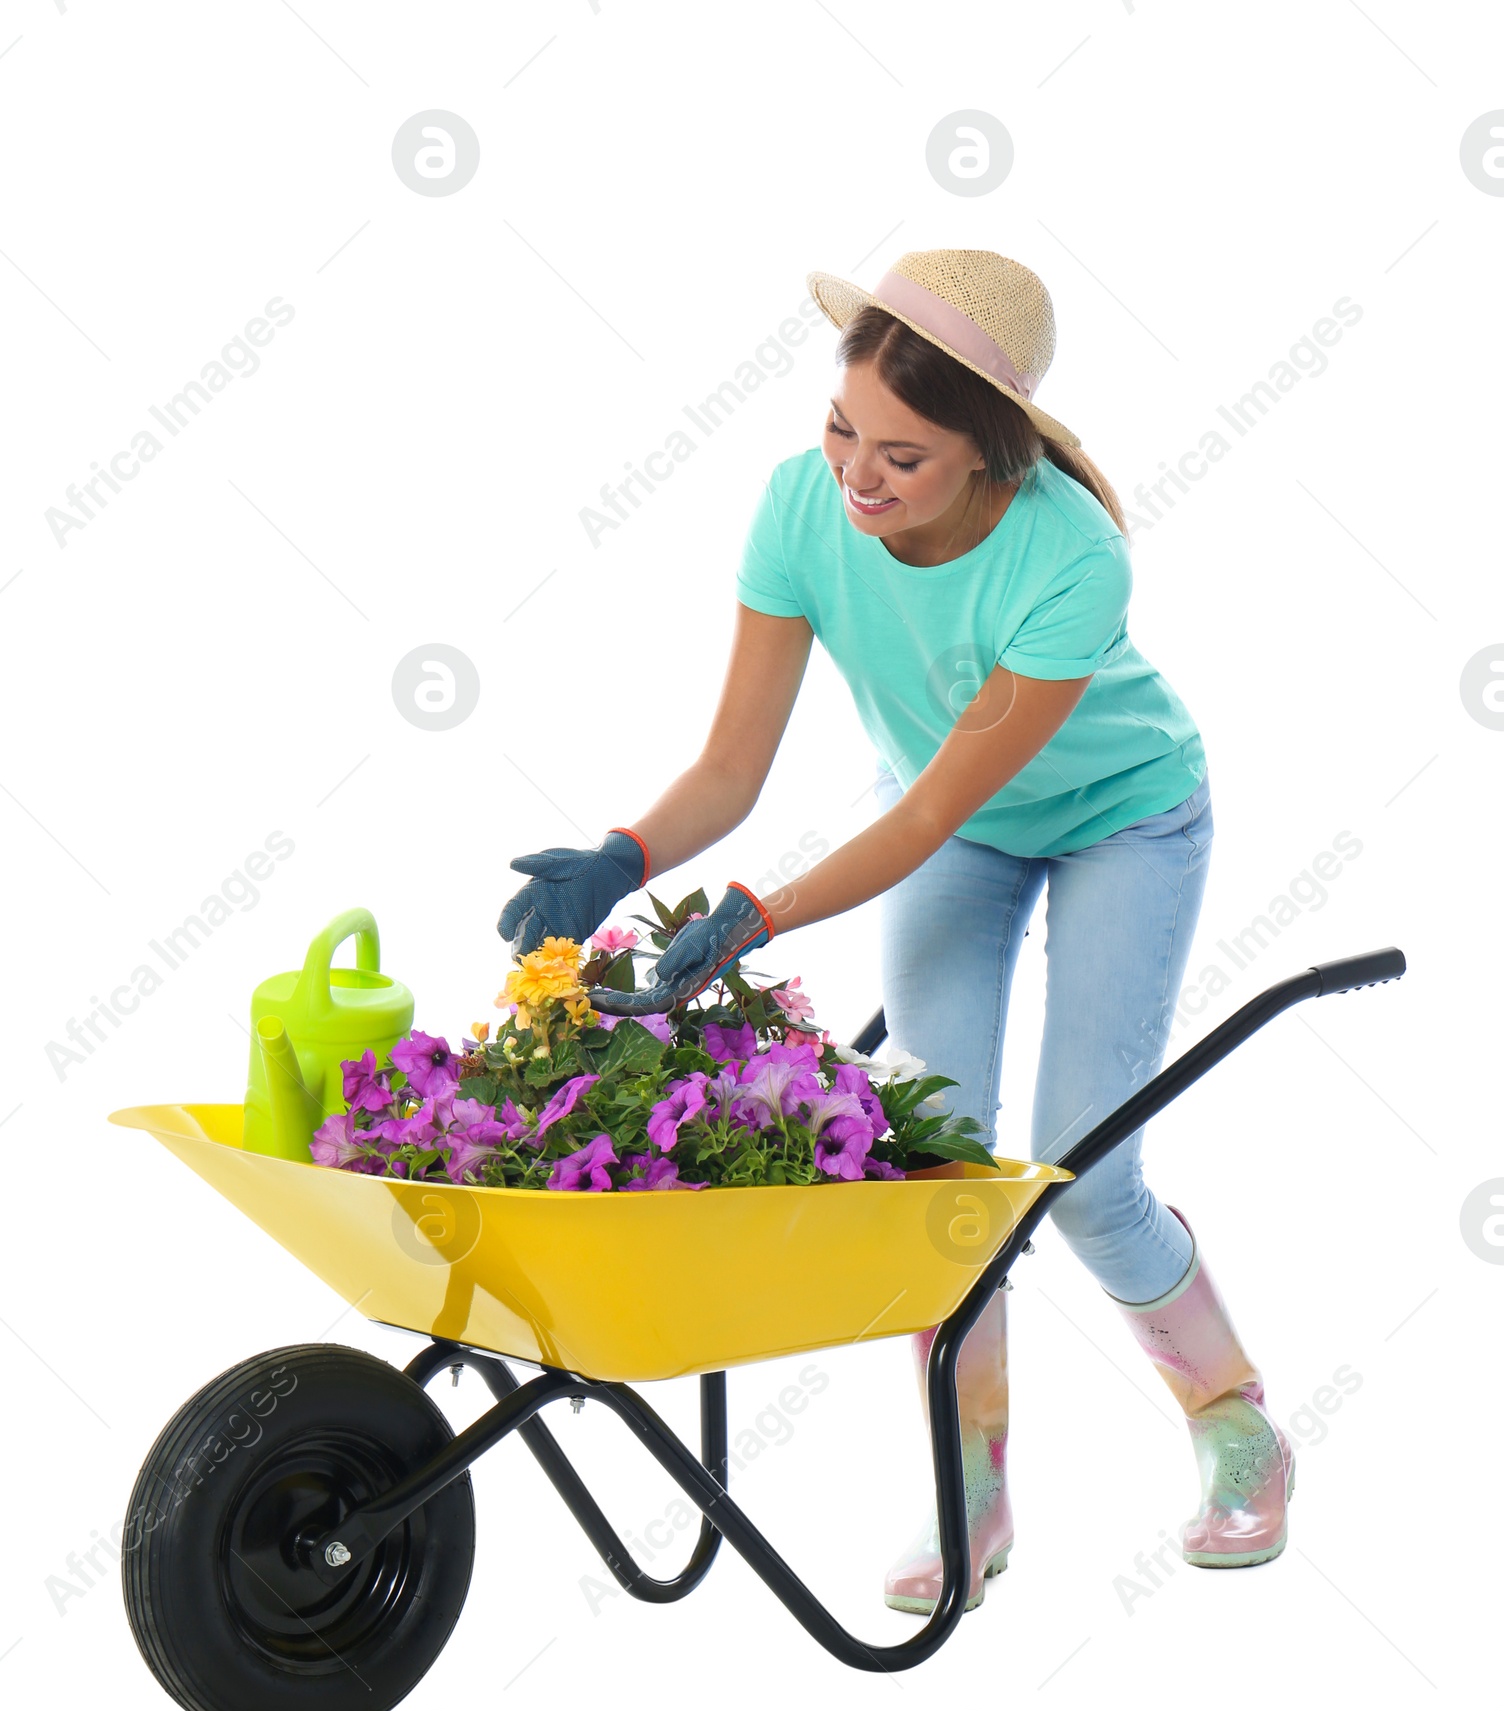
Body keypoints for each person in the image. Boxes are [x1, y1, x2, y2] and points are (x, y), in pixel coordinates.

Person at [497, 248, 1293, 1616]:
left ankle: (1237, 1425)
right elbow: (734, 766)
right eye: (842, 428)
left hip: (1122, 820)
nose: (859, 477)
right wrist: (627, 855)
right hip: (959, 833)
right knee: (934, 1174)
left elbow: (929, 812)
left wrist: (758, 912)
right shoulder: (802, 510)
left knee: (1086, 1178)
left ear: (993, 458)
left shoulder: (1070, 557)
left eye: (905, 459)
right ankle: (971, 1486)